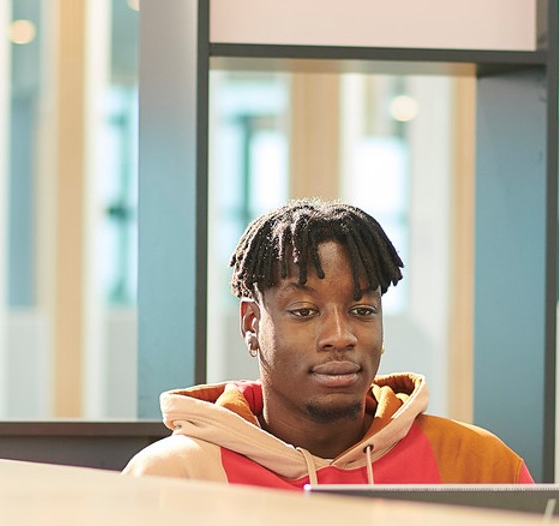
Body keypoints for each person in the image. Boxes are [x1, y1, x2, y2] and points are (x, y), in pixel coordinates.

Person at [125, 200, 533, 488]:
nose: (341, 336)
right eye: (304, 312)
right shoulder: (173, 477)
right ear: (251, 324)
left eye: (362, 310)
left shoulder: (480, 465)